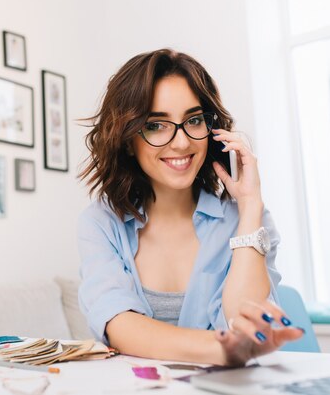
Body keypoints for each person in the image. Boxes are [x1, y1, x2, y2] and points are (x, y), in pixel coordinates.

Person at [77, 49, 303, 367]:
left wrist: (250, 204)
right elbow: (119, 326)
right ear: (128, 139)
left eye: (194, 120)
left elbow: (244, 323)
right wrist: (223, 349)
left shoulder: (248, 220)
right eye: (157, 125)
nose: (182, 143)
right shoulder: (101, 223)